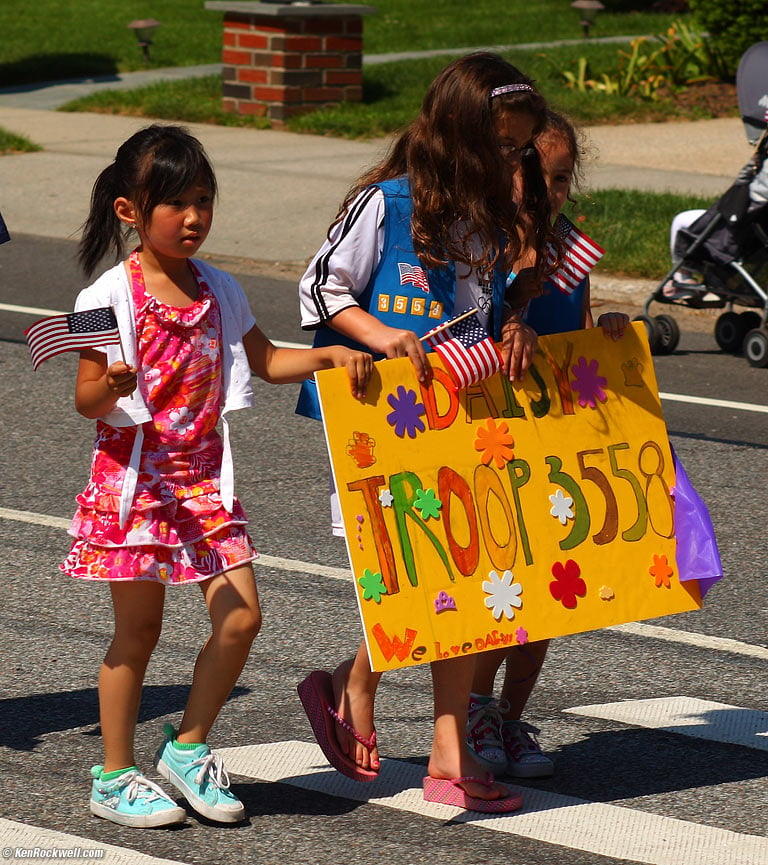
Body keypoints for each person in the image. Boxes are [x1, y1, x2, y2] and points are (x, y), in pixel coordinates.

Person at [60, 124, 372, 829]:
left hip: (203, 486)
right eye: (176, 202)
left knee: (242, 618)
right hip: (136, 487)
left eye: (203, 200)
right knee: (136, 634)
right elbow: (86, 402)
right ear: (129, 211)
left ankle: (188, 745)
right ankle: (113, 774)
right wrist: (110, 381)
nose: (194, 216)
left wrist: (329, 357)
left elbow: (263, 360)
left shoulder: (220, 288)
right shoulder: (107, 294)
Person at [295, 53, 555, 813]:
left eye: (519, 150)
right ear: (455, 136)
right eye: (501, 147)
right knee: (411, 574)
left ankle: (446, 747)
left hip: (463, 423)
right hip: (382, 422)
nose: (511, 162)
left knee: (462, 574)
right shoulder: (386, 204)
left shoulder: (492, 225)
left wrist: (518, 328)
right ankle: (356, 685)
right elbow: (321, 284)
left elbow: (487, 311)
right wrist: (379, 336)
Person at [466, 109, 629, 780]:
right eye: (536, 175)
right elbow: (465, 332)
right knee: (500, 591)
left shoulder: (572, 251)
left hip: (553, 442)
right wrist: (510, 331)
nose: (550, 191)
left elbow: (578, 338)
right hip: (492, 444)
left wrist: (608, 336)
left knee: (547, 600)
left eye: (561, 178)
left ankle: (510, 716)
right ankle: (473, 707)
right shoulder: (481, 248)